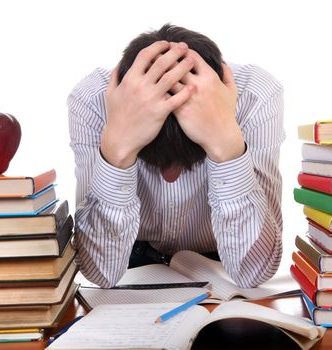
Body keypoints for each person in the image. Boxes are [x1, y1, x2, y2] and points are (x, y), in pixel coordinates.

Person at [68, 24, 285, 288]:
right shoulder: (93, 99)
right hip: (128, 263)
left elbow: (254, 273)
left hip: (222, 265)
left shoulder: (255, 95)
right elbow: (99, 273)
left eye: (184, 164)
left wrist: (225, 145)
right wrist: (119, 148)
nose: (170, 177)